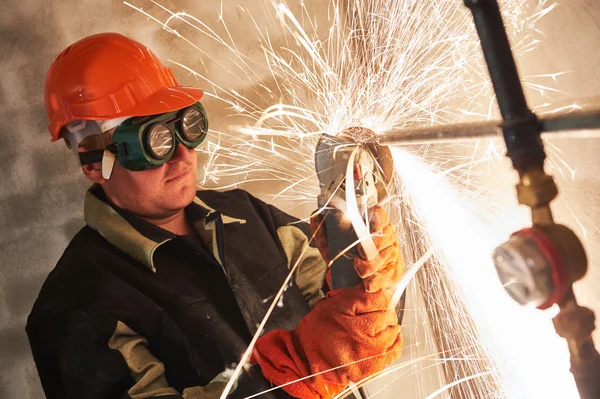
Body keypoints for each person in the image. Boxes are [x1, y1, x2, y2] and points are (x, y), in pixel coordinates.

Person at [26, 32, 405, 399]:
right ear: (94, 164)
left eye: (183, 126)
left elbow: (355, 327)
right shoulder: (74, 307)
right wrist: (299, 369)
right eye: (152, 142)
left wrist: (362, 273)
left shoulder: (245, 214)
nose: (181, 156)